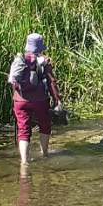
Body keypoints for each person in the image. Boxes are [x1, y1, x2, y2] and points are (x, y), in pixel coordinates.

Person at [7, 33, 63, 178]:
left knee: (23, 130)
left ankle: (24, 162)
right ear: (40, 47)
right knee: (45, 125)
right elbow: (52, 82)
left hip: (20, 101)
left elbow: (14, 82)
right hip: (40, 101)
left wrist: (17, 98)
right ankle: (44, 154)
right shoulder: (44, 61)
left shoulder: (19, 60)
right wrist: (57, 100)